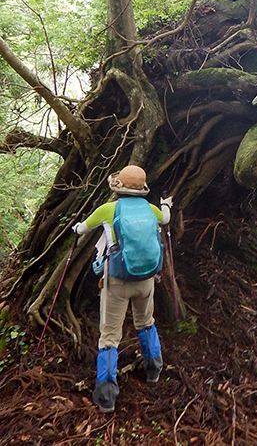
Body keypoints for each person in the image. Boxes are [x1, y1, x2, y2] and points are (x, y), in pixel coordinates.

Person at [72, 165, 172, 413]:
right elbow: (166, 218)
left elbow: (83, 228)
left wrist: (75, 228)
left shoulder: (109, 209)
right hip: (146, 280)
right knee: (146, 322)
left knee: (109, 336)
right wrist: (166, 204)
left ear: (118, 187)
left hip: (116, 282)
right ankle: (154, 371)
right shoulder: (151, 210)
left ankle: (106, 397)